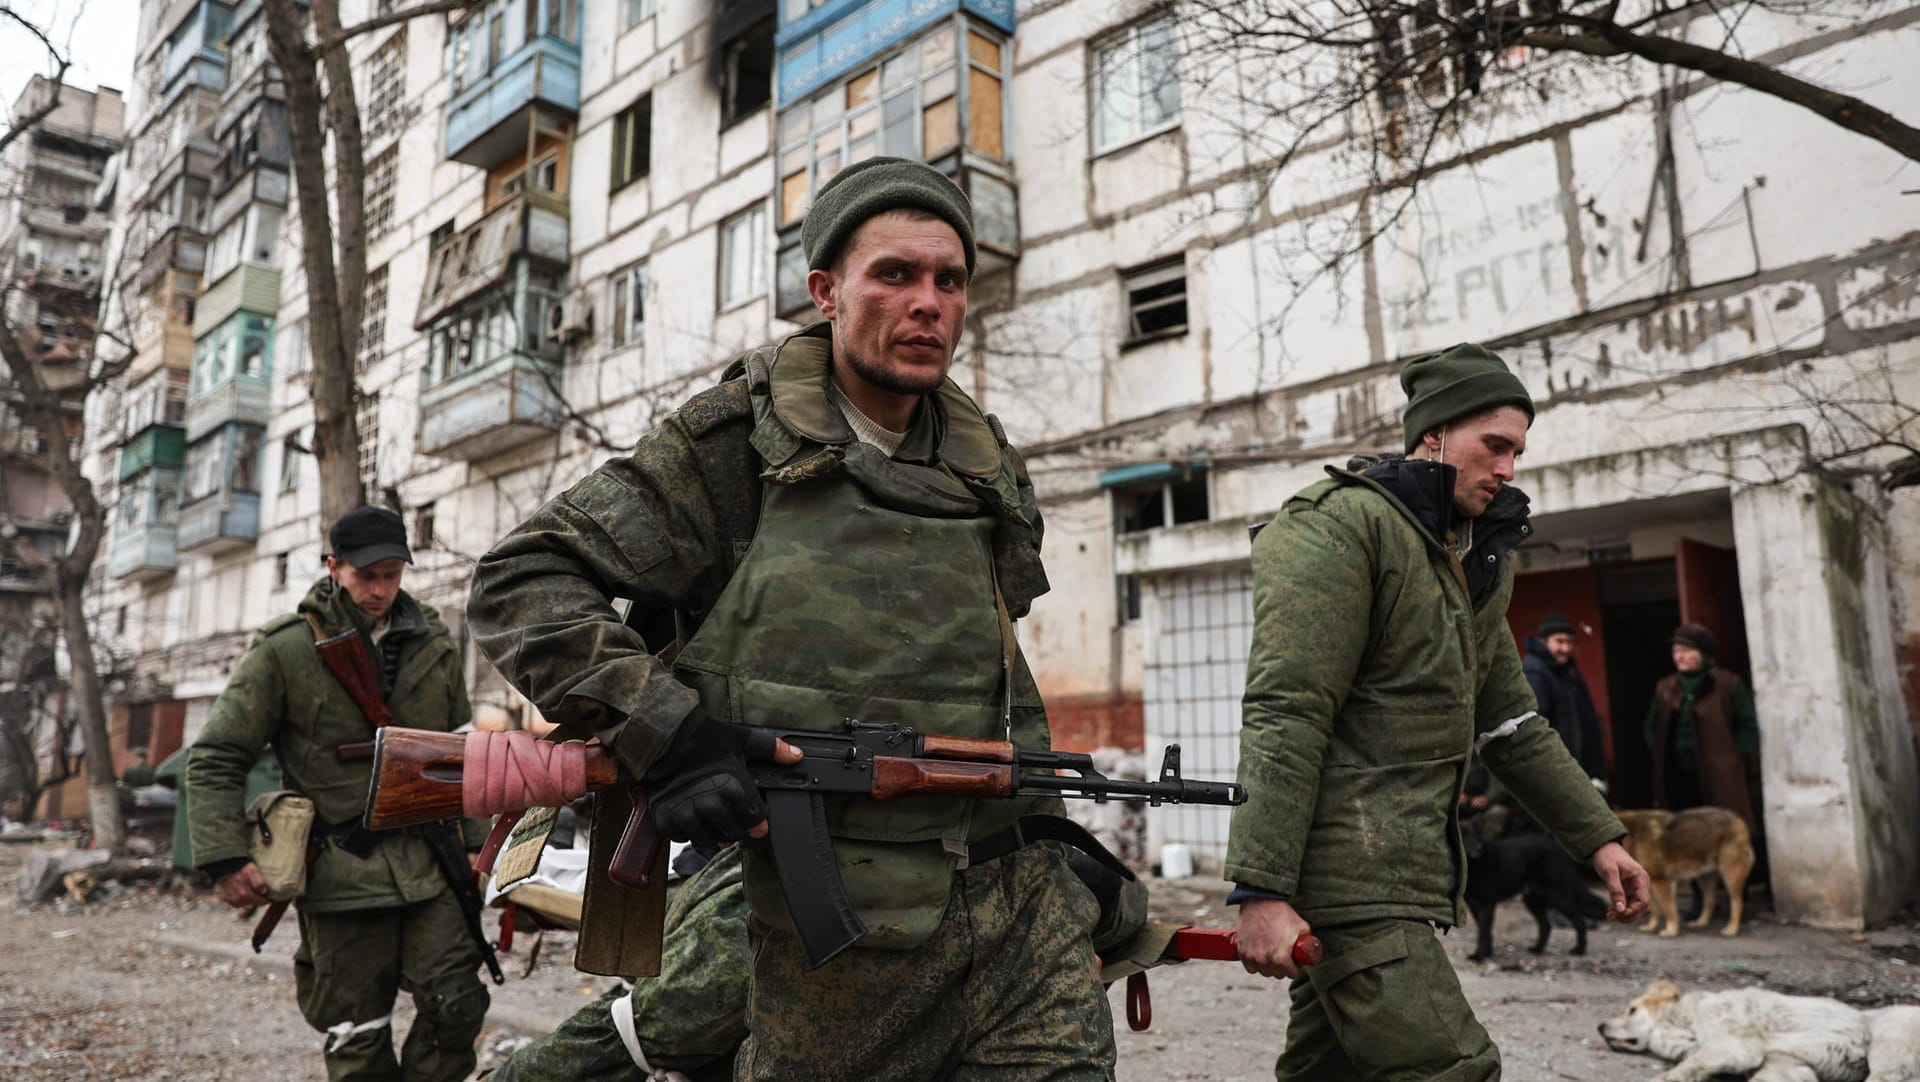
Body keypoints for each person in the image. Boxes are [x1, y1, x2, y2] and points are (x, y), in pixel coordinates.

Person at [467, 157, 1113, 1081]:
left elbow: (1003, 682)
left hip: (1011, 911)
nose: (927, 302)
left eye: (949, 279)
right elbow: (521, 580)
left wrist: (1058, 846)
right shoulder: (733, 446)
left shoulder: (983, 464)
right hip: (816, 918)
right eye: (893, 274)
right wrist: (671, 736)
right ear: (826, 291)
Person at [1225, 343, 1652, 1081]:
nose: (1509, 468)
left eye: (1518, 451)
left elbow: (1511, 724)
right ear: (1433, 434)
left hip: (1401, 873)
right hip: (1348, 877)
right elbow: (1286, 710)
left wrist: (1598, 839)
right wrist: (1259, 888)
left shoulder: (1471, 557)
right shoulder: (1340, 527)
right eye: (1494, 446)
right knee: (1454, 1068)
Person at [188, 507, 490, 1082]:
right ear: (334, 568)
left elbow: (462, 754)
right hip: (343, 870)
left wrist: (480, 848)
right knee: (358, 1029)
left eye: (392, 575)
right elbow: (217, 755)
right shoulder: (286, 648)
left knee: (456, 1006)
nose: (379, 590)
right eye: (365, 576)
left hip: (434, 864)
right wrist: (224, 858)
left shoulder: (434, 640)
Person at [1646, 622, 1761, 834]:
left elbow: (1747, 726)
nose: (1679, 657)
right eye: (1675, 651)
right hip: (1678, 775)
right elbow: (1652, 726)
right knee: (1681, 831)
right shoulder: (1666, 687)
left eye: (1686, 651)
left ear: (1703, 654)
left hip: (1719, 775)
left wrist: (1734, 760)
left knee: (1723, 829)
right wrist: (1662, 753)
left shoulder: (1727, 684)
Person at [1523, 610, 1610, 788]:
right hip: (1555, 773)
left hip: (1576, 769)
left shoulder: (1569, 671)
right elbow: (1537, 724)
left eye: (1569, 642)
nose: (1566, 648)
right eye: (1559, 642)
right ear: (1543, 641)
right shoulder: (1536, 672)